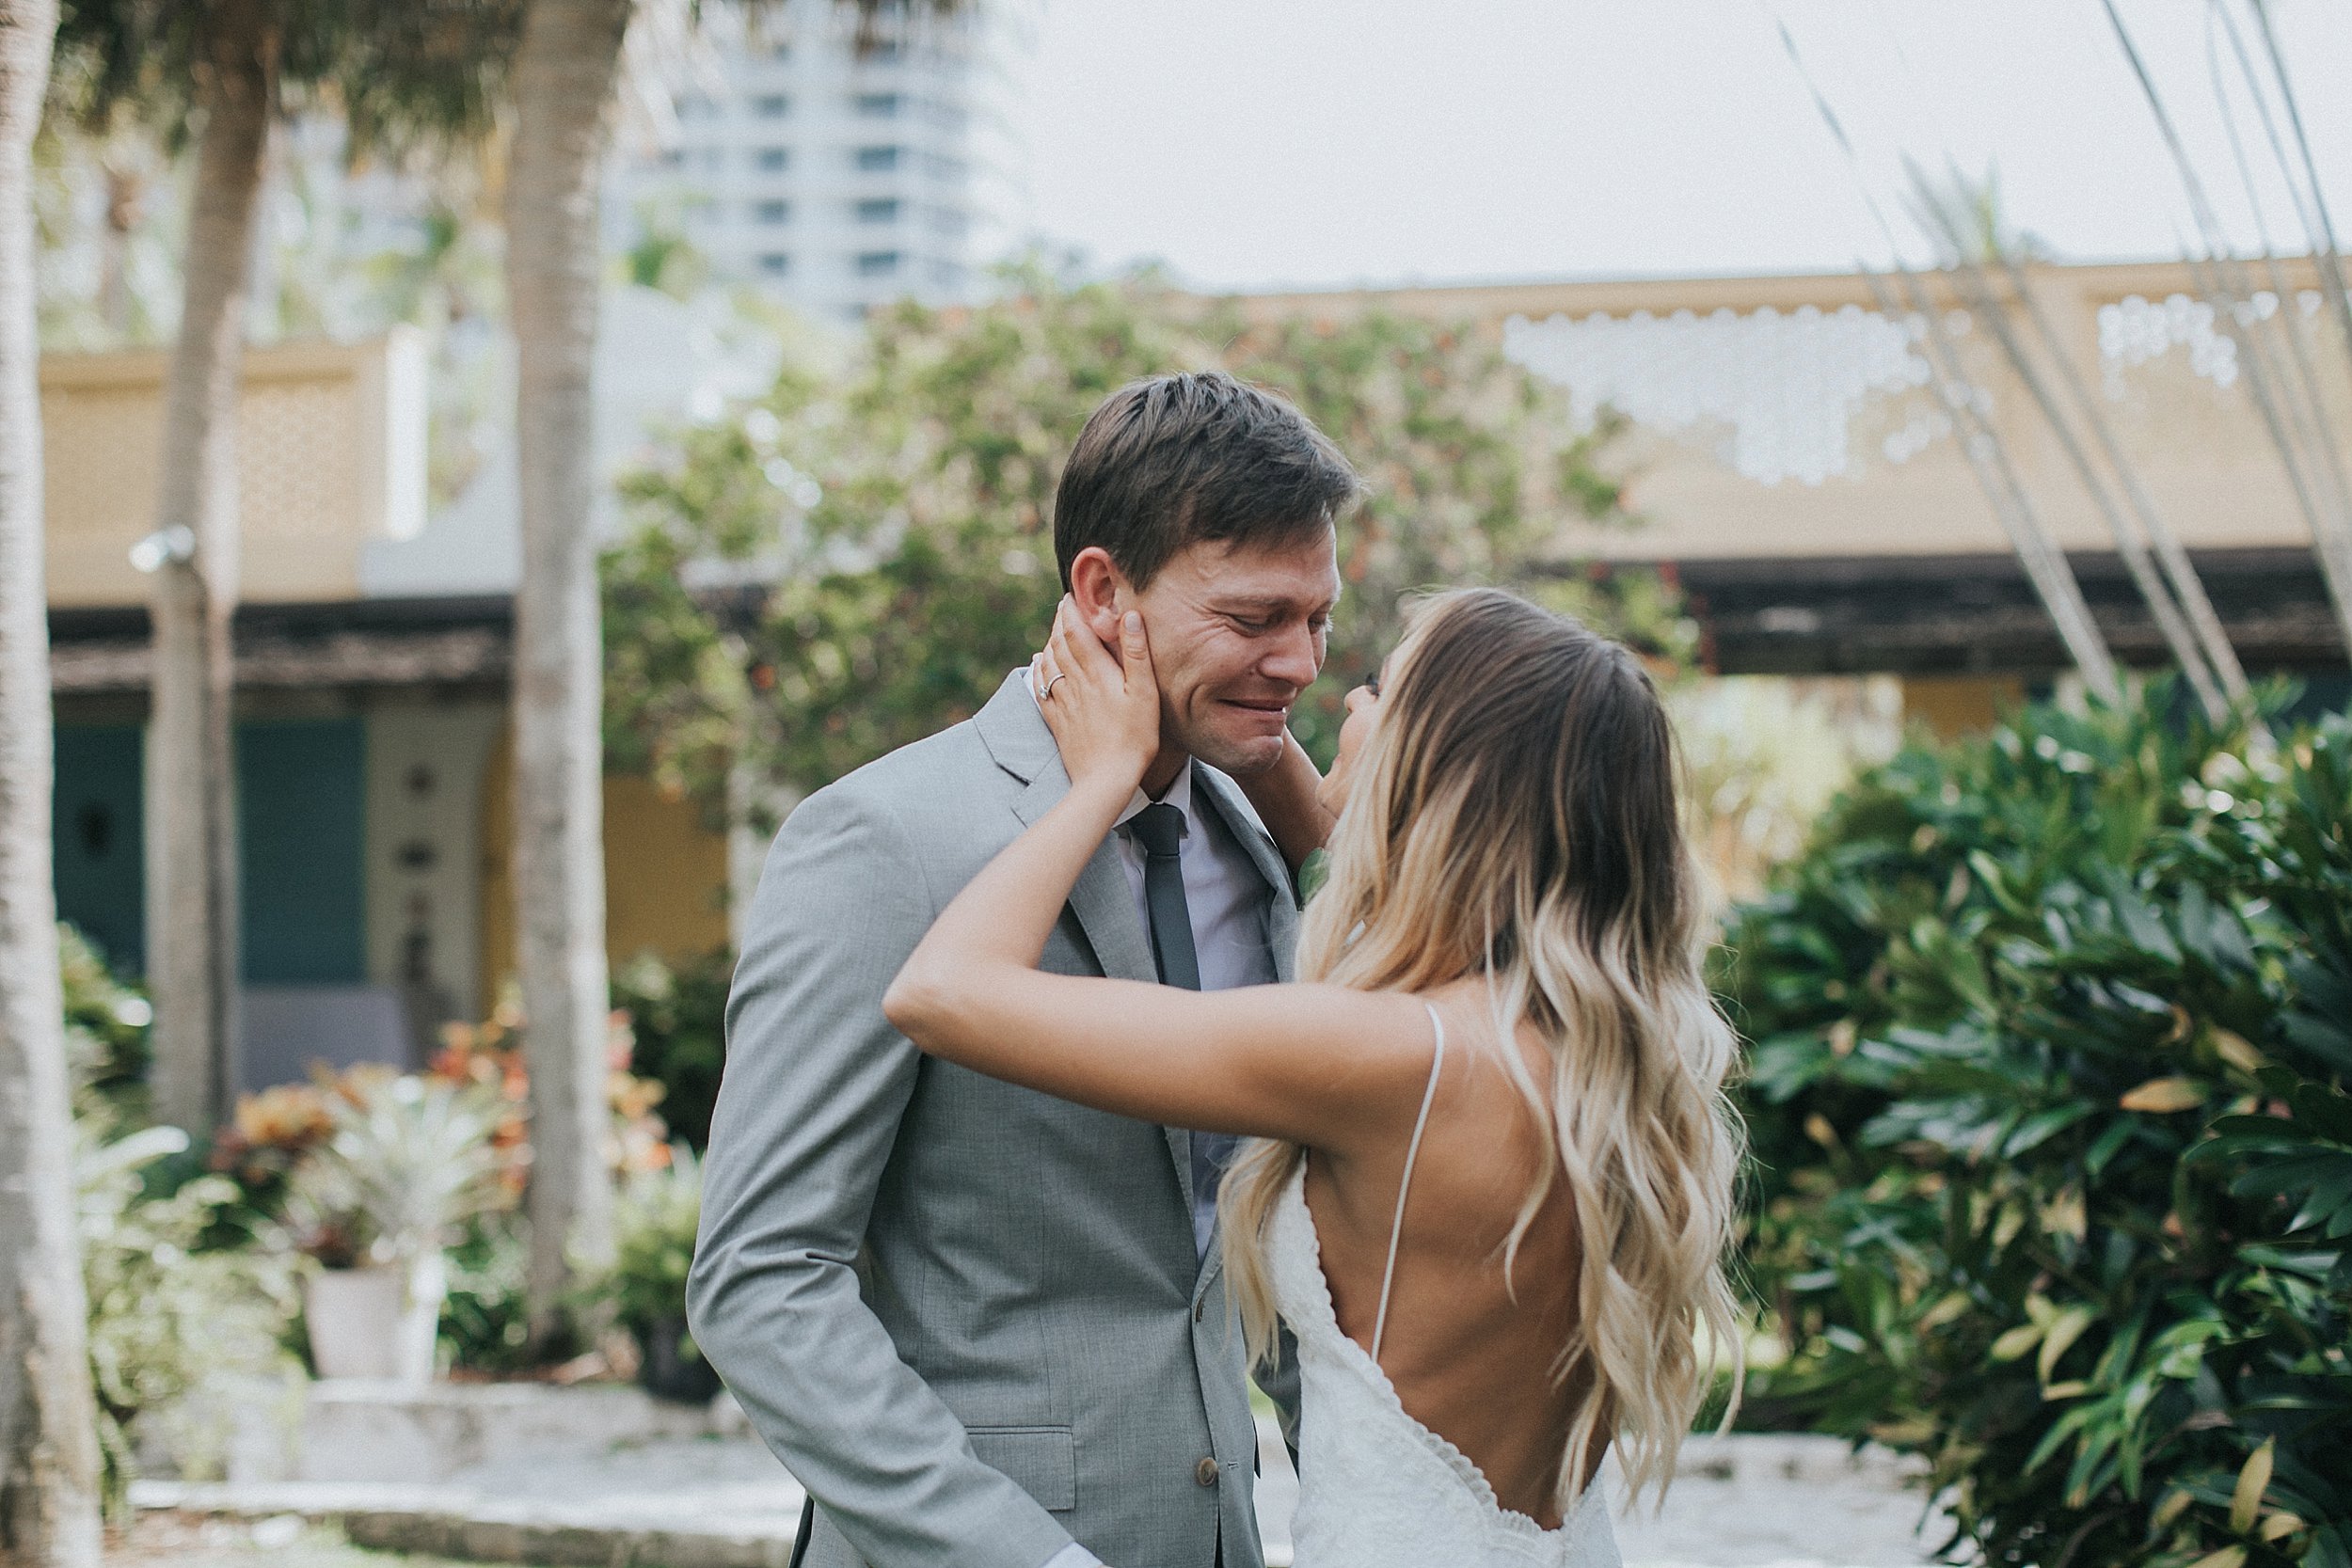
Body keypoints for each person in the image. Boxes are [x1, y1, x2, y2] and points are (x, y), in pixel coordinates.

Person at [883, 587, 1746, 1568]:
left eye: (1378, 687)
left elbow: (944, 989)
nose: (1335, 701)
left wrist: (1104, 774)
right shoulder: (1591, 1054)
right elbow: (1384, 894)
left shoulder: (1384, 1058)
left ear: (1438, 765)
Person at [688, 371, 1361, 1568]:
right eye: (1254, 617)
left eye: (1317, 618)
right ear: (1105, 592)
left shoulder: (1257, 850)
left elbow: (1256, 1238)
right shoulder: (880, 839)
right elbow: (762, 1278)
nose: (1299, 660)